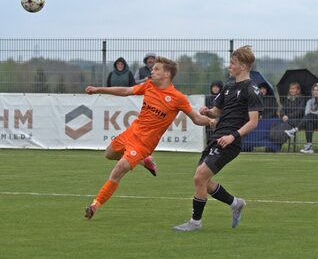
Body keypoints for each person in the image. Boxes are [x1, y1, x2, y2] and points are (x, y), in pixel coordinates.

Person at [84, 56, 215, 219]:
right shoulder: (149, 86)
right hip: (131, 133)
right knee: (109, 154)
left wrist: (209, 121)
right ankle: (144, 161)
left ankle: (95, 205)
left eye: (156, 69)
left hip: (143, 145)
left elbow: (196, 118)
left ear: (166, 74)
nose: (151, 71)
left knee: (119, 169)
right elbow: (126, 91)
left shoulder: (177, 98)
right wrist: (98, 90)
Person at [173, 45, 263, 231]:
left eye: (232, 63)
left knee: (199, 177)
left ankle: (195, 223)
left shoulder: (252, 89)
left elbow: (253, 122)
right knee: (203, 182)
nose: (229, 66)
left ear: (244, 67)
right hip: (217, 137)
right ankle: (235, 203)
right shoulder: (229, 87)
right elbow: (217, 111)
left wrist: (233, 136)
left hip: (229, 142)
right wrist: (208, 111)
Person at [285, 83, 318, 154]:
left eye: (317, 90)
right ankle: (309, 147)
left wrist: (313, 113)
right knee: (309, 123)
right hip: (312, 120)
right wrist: (314, 113)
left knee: (310, 116)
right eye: (314, 90)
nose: (315, 92)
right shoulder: (310, 101)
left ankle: (294, 130)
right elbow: (306, 113)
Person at [269, 82, 306, 146]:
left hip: (297, 120)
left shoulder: (302, 98)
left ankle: (277, 142)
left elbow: (300, 110)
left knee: (285, 127)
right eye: (291, 88)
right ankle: (272, 140)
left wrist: (288, 116)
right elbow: (282, 109)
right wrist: (283, 115)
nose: (292, 90)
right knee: (276, 125)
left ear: (298, 90)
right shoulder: (287, 98)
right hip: (285, 119)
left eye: (294, 88)